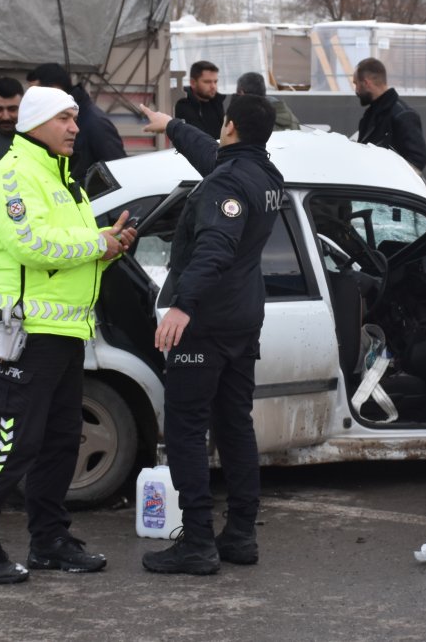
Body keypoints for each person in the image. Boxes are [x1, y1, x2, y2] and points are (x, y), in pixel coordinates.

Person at [0, 86, 136, 584]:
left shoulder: (61, 177)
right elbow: (32, 244)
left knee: (59, 441)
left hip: (64, 332)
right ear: (37, 122)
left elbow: (65, 249)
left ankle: (49, 539)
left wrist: (107, 247)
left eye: (75, 118)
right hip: (23, 333)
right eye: (65, 119)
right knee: (13, 444)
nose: (75, 127)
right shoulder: (10, 176)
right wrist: (98, 240)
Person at [135, 95, 284, 576]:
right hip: (243, 320)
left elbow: (216, 248)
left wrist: (182, 306)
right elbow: (216, 158)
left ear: (231, 126)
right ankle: (240, 534)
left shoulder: (230, 181)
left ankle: (197, 540)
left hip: (207, 324)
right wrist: (171, 126)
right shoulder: (263, 174)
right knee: (234, 424)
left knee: (185, 429)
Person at [27, 63, 126, 186]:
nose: (74, 129)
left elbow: (120, 170)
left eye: (35, 93)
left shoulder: (94, 122)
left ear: (56, 88)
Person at [354, 58, 426, 171]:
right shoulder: (370, 115)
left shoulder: (403, 115)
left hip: (387, 186)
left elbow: (417, 161)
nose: (356, 90)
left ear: (367, 83)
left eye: (356, 84)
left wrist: (386, 175)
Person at [174, 60, 226, 139]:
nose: (213, 86)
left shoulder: (220, 103)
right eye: (207, 82)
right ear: (193, 83)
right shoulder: (182, 105)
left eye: (215, 82)